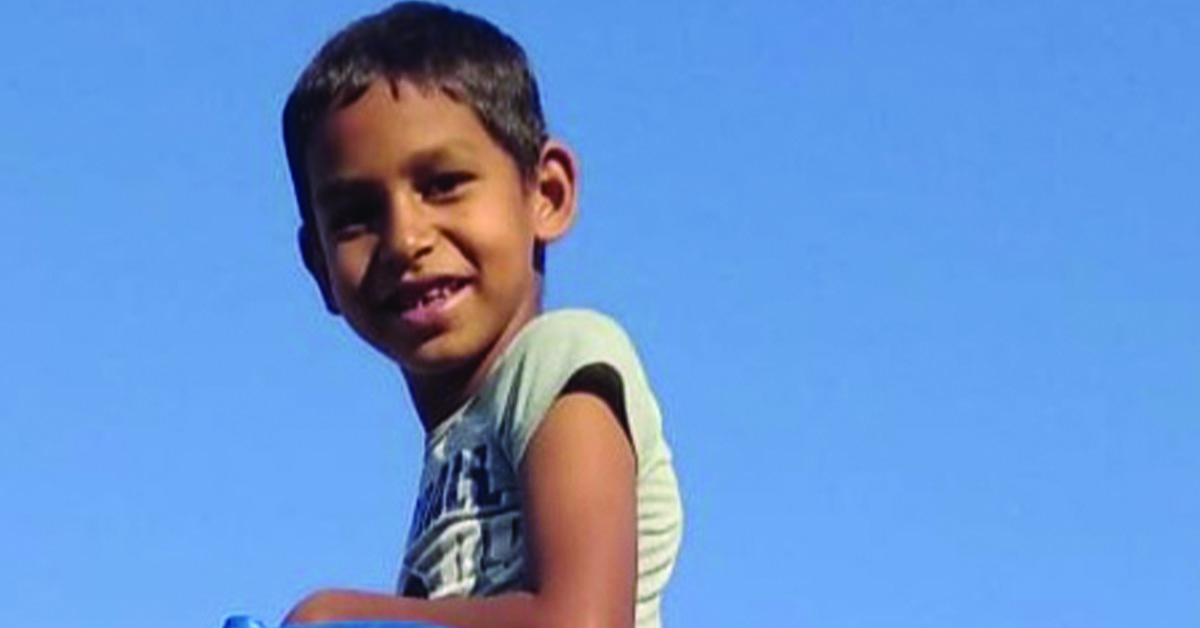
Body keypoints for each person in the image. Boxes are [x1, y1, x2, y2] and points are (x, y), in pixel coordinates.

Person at [277, 3, 683, 628]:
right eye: (357, 215)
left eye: (442, 184)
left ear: (546, 194)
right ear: (320, 268)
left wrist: (337, 616)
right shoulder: (453, 451)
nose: (406, 238)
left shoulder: (562, 357)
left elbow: (582, 622)